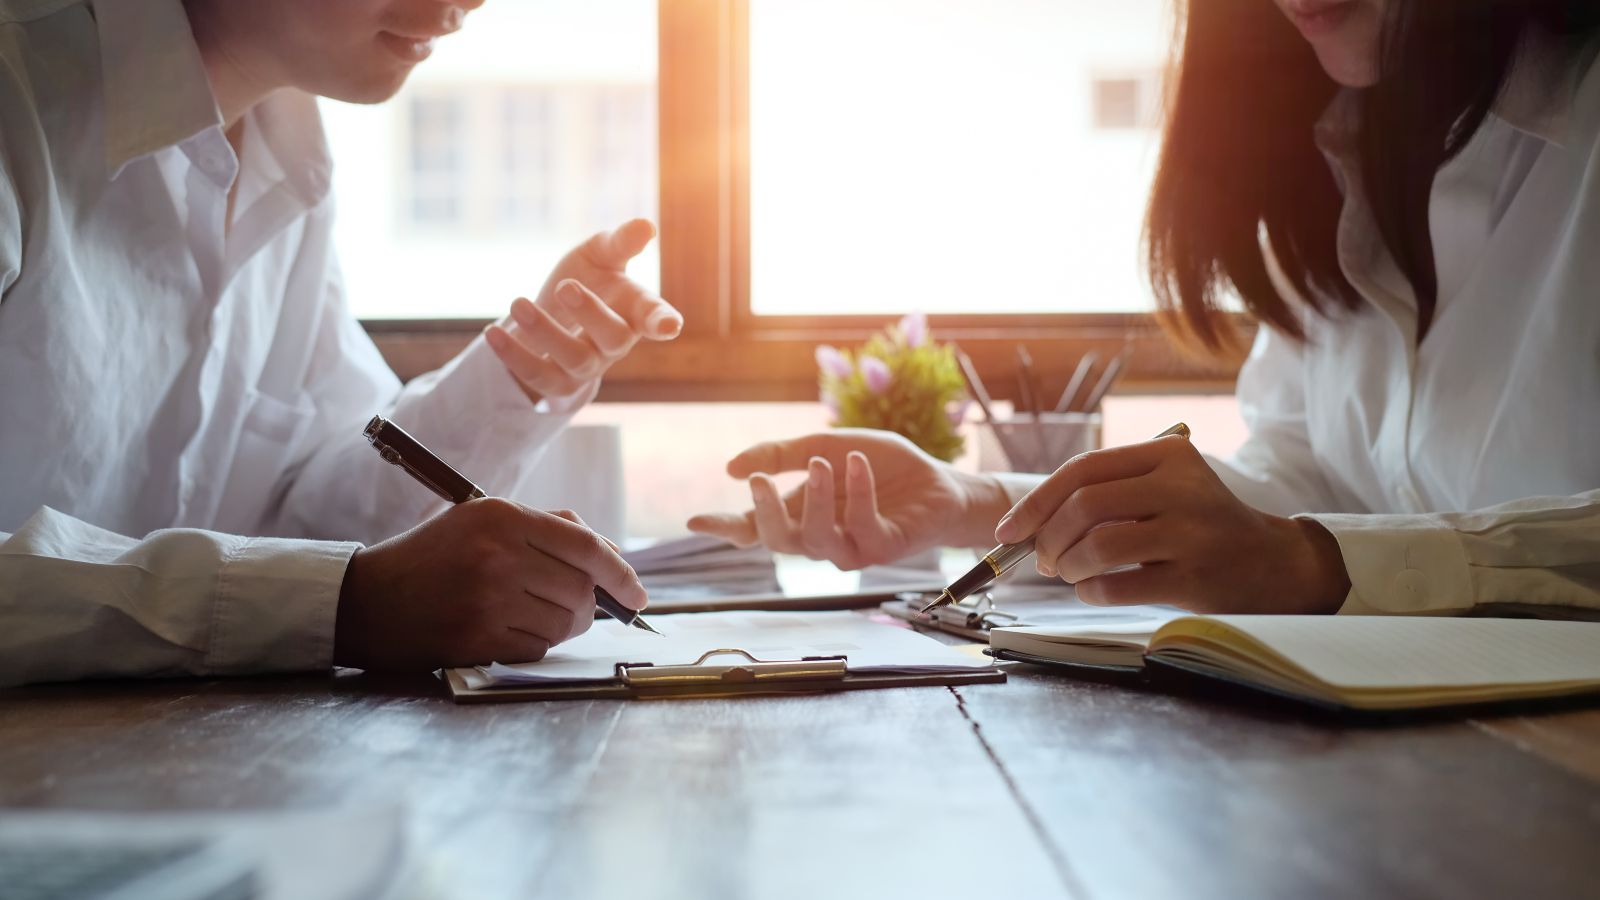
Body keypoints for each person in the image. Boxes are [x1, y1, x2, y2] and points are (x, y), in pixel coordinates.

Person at [690, 0, 1600, 619]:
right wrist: (974, 502)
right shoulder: (1332, 152)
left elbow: (1311, 540)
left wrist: (1309, 565)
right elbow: (1312, 480)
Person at [0, 0, 681, 686]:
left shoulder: (287, 152)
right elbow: (342, 581)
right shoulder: (16, 101)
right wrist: (348, 605)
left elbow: (319, 516)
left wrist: (517, 376)